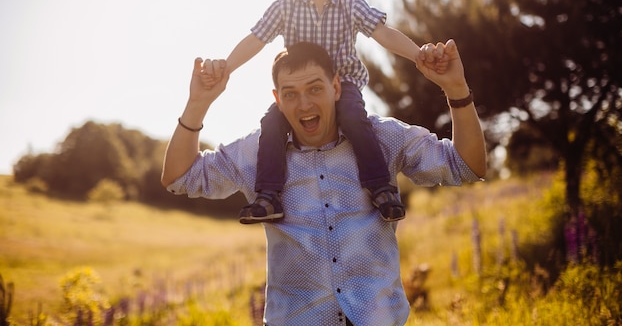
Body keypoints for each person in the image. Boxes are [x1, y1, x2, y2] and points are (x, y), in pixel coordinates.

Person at [161, 39, 486, 326]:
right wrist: (198, 103)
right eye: (290, 94)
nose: (303, 104)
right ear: (277, 98)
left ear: (335, 88)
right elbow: (179, 177)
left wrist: (456, 90)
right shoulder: (256, 153)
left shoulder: (382, 138)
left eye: (315, 89)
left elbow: (466, 166)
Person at [213, 0, 438, 224]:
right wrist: (227, 66)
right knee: (271, 122)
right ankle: (268, 196)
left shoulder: (350, 3)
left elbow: (383, 33)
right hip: (300, 86)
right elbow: (256, 39)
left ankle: (380, 187)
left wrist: (418, 54)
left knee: (353, 117)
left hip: (343, 84)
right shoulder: (285, 7)